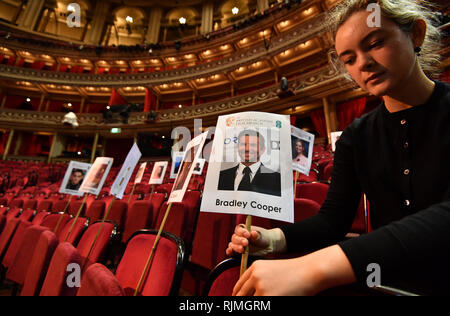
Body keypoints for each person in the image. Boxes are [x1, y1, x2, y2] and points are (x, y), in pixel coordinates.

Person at [227, 0, 450, 296]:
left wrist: (317, 267)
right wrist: (274, 239)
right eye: (349, 58)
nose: (363, 63)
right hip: (388, 282)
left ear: (416, 34)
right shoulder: (356, 137)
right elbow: (333, 221)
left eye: (375, 43)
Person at [218, 129, 281, 197]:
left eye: (253, 145)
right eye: (243, 144)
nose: (247, 149)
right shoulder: (221, 176)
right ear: (237, 147)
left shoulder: (277, 179)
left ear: (262, 150)